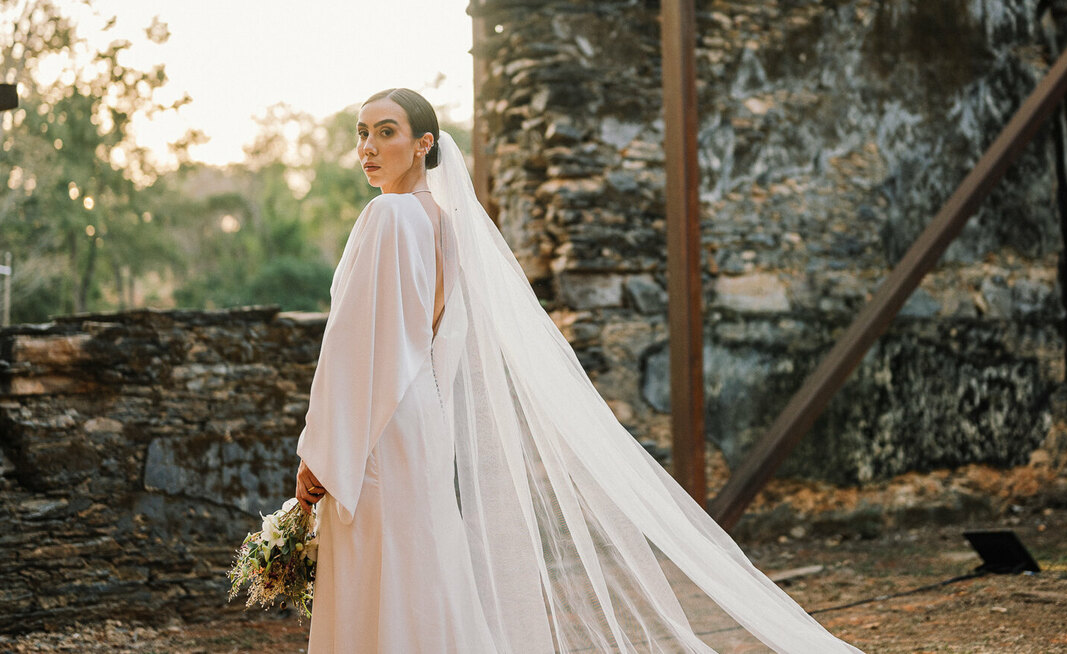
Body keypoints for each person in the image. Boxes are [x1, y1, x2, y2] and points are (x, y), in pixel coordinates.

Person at [295, 87, 861, 653]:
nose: (368, 147)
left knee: (383, 564)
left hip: (381, 420)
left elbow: (356, 346)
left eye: (385, 132)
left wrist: (320, 451)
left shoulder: (387, 215)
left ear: (424, 144)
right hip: (421, 416)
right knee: (421, 568)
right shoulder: (446, 222)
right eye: (362, 133)